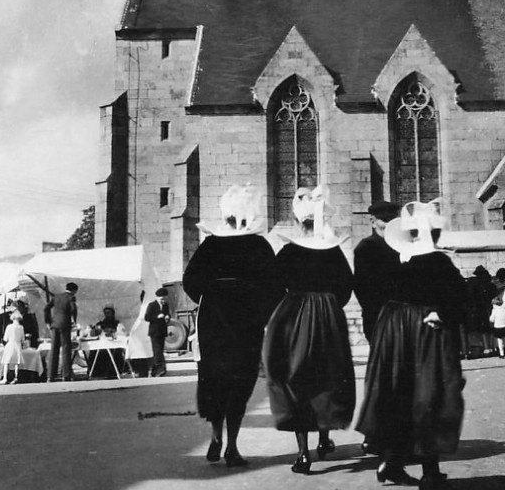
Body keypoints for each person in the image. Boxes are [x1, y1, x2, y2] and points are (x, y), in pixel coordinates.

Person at [355, 201, 466, 490]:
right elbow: (461, 299)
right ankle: (429, 472)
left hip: (392, 330)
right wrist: (441, 313)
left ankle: (391, 460)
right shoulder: (438, 261)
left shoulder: (394, 256)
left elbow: (373, 292)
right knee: (428, 397)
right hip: (426, 333)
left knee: (396, 394)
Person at [184, 186, 280, 468]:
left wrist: (210, 296)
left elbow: (190, 280)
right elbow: (274, 287)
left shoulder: (211, 245)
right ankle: (233, 447)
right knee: (240, 382)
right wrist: (260, 312)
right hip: (246, 322)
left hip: (213, 321)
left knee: (215, 380)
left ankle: (216, 437)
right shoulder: (259, 246)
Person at [263, 186, 355, 474]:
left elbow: (273, 285)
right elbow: (345, 286)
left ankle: (303, 454)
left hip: (294, 316)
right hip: (328, 318)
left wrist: (283, 312)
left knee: (296, 377)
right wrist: (330, 306)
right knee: (327, 375)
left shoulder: (289, 251)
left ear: (299, 222)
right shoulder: (332, 251)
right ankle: (324, 438)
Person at [353, 201, 402, 343]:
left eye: (392, 220)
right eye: (385, 220)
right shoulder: (366, 247)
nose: (388, 225)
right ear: (373, 222)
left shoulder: (402, 245)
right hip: (378, 314)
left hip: (402, 313)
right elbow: (362, 286)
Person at [45, 282, 79, 382]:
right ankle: (66, 375)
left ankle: (50, 376)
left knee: (54, 350)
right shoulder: (71, 297)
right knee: (65, 350)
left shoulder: (56, 296)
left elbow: (46, 308)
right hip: (65, 325)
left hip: (54, 325)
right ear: (74, 290)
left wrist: (48, 321)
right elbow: (73, 309)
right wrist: (74, 321)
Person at [144, 288, 172, 377]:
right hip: (154, 332)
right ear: (157, 297)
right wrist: (157, 317)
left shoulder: (166, 305)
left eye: (164, 298)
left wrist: (167, 317)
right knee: (157, 351)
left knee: (160, 350)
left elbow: (167, 314)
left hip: (162, 331)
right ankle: (159, 369)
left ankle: (158, 370)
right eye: (161, 299)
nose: (163, 300)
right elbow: (147, 317)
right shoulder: (152, 305)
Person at [0, 311, 25, 384]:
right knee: (16, 361)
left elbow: (5, 338)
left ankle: (5, 378)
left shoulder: (9, 327)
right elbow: (23, 339)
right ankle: (16, 377)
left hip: (10, 344)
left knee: (6, 361)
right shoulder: (21, 327)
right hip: (18, 344)